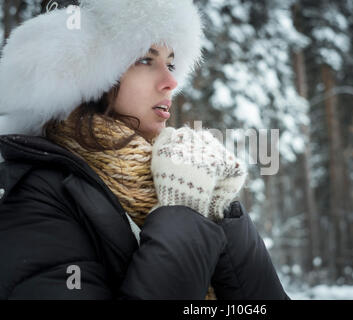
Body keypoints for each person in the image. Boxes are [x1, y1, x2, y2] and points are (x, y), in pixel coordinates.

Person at [0, 0, 290, 300]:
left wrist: (220, 210)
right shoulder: (37, 201)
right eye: (145, 60)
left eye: (171, 63)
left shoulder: (177, 172)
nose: (171, 82)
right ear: (87, 76)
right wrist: (186, 210)